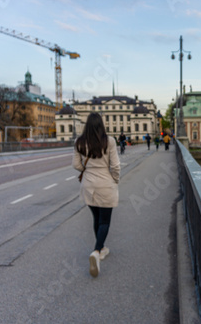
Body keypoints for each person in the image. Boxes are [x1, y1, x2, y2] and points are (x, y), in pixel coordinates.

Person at [72, 113, 120, 278]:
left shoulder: (79, 142)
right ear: (101, 125)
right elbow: (115, 166)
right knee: (105, 221)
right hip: (105, 184)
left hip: (88, 185)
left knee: (97, 219)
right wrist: (115, 180)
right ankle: (97, 250)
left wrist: (88, 172)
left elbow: (76, 165)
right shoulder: (109, 141)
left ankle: (101, 248)